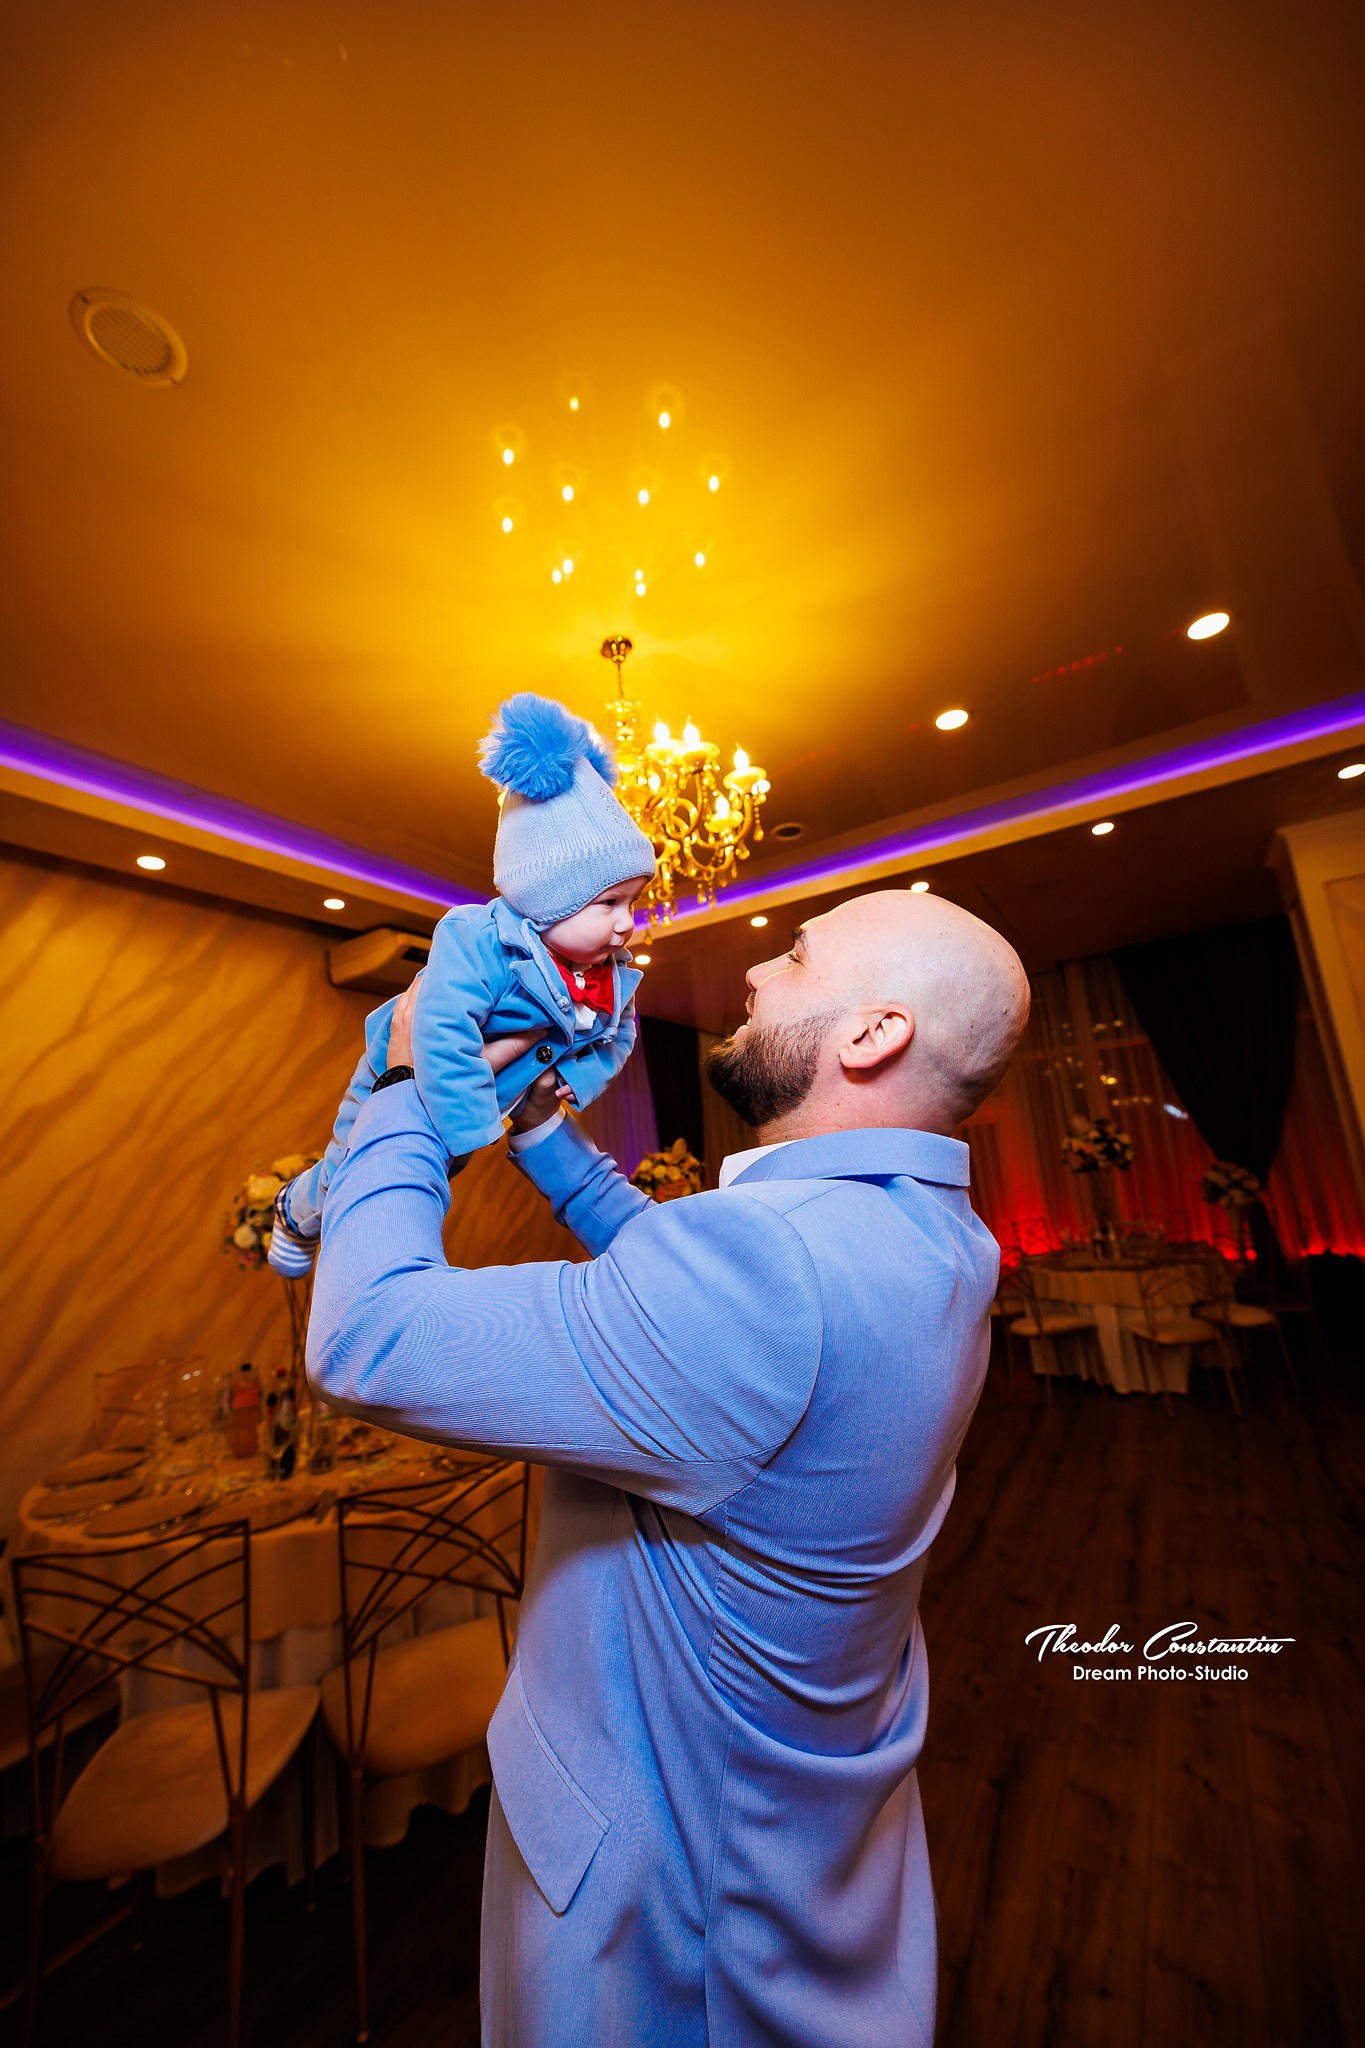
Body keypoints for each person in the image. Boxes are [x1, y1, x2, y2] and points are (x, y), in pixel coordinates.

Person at [307, 888, 1031, 2047]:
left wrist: (403, 1083)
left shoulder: (774, 1268)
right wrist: (542, 1127)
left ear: (873, 1031)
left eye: (795, 956)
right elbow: (695, 1303)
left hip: (674, 1910)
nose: (754, 972)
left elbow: (368, 1337)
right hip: (805, 1847)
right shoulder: (933, 1236)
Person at [267, 692, 654, 1275]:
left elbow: (619, 1034)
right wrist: (469, 1126)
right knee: (354, 1170)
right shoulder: (478, 939)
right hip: (401, 1075)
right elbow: (442, 1028)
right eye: (609, 903)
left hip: (491, 1097)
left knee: (435, 1172)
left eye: (634, 902)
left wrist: (578, 1077)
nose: (628, 923)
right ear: (550, 898)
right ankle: (296, 1209)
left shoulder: (612, 972)